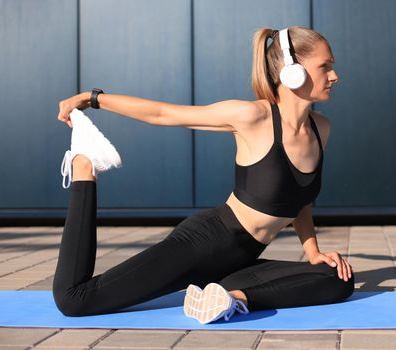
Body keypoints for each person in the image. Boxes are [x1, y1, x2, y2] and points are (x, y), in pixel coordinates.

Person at [53, 26, 354, 324]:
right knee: (75, 299)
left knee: (338, 278)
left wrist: (313, 251)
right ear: (292, 71)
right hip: (204, 244)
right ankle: (83, 165)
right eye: (325, 67)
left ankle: (233, 298)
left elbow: (299, 199)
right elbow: (163, 114)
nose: (334, 76)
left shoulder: (320, 129)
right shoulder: (253, 117)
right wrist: (93, 98)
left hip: (242, 259)